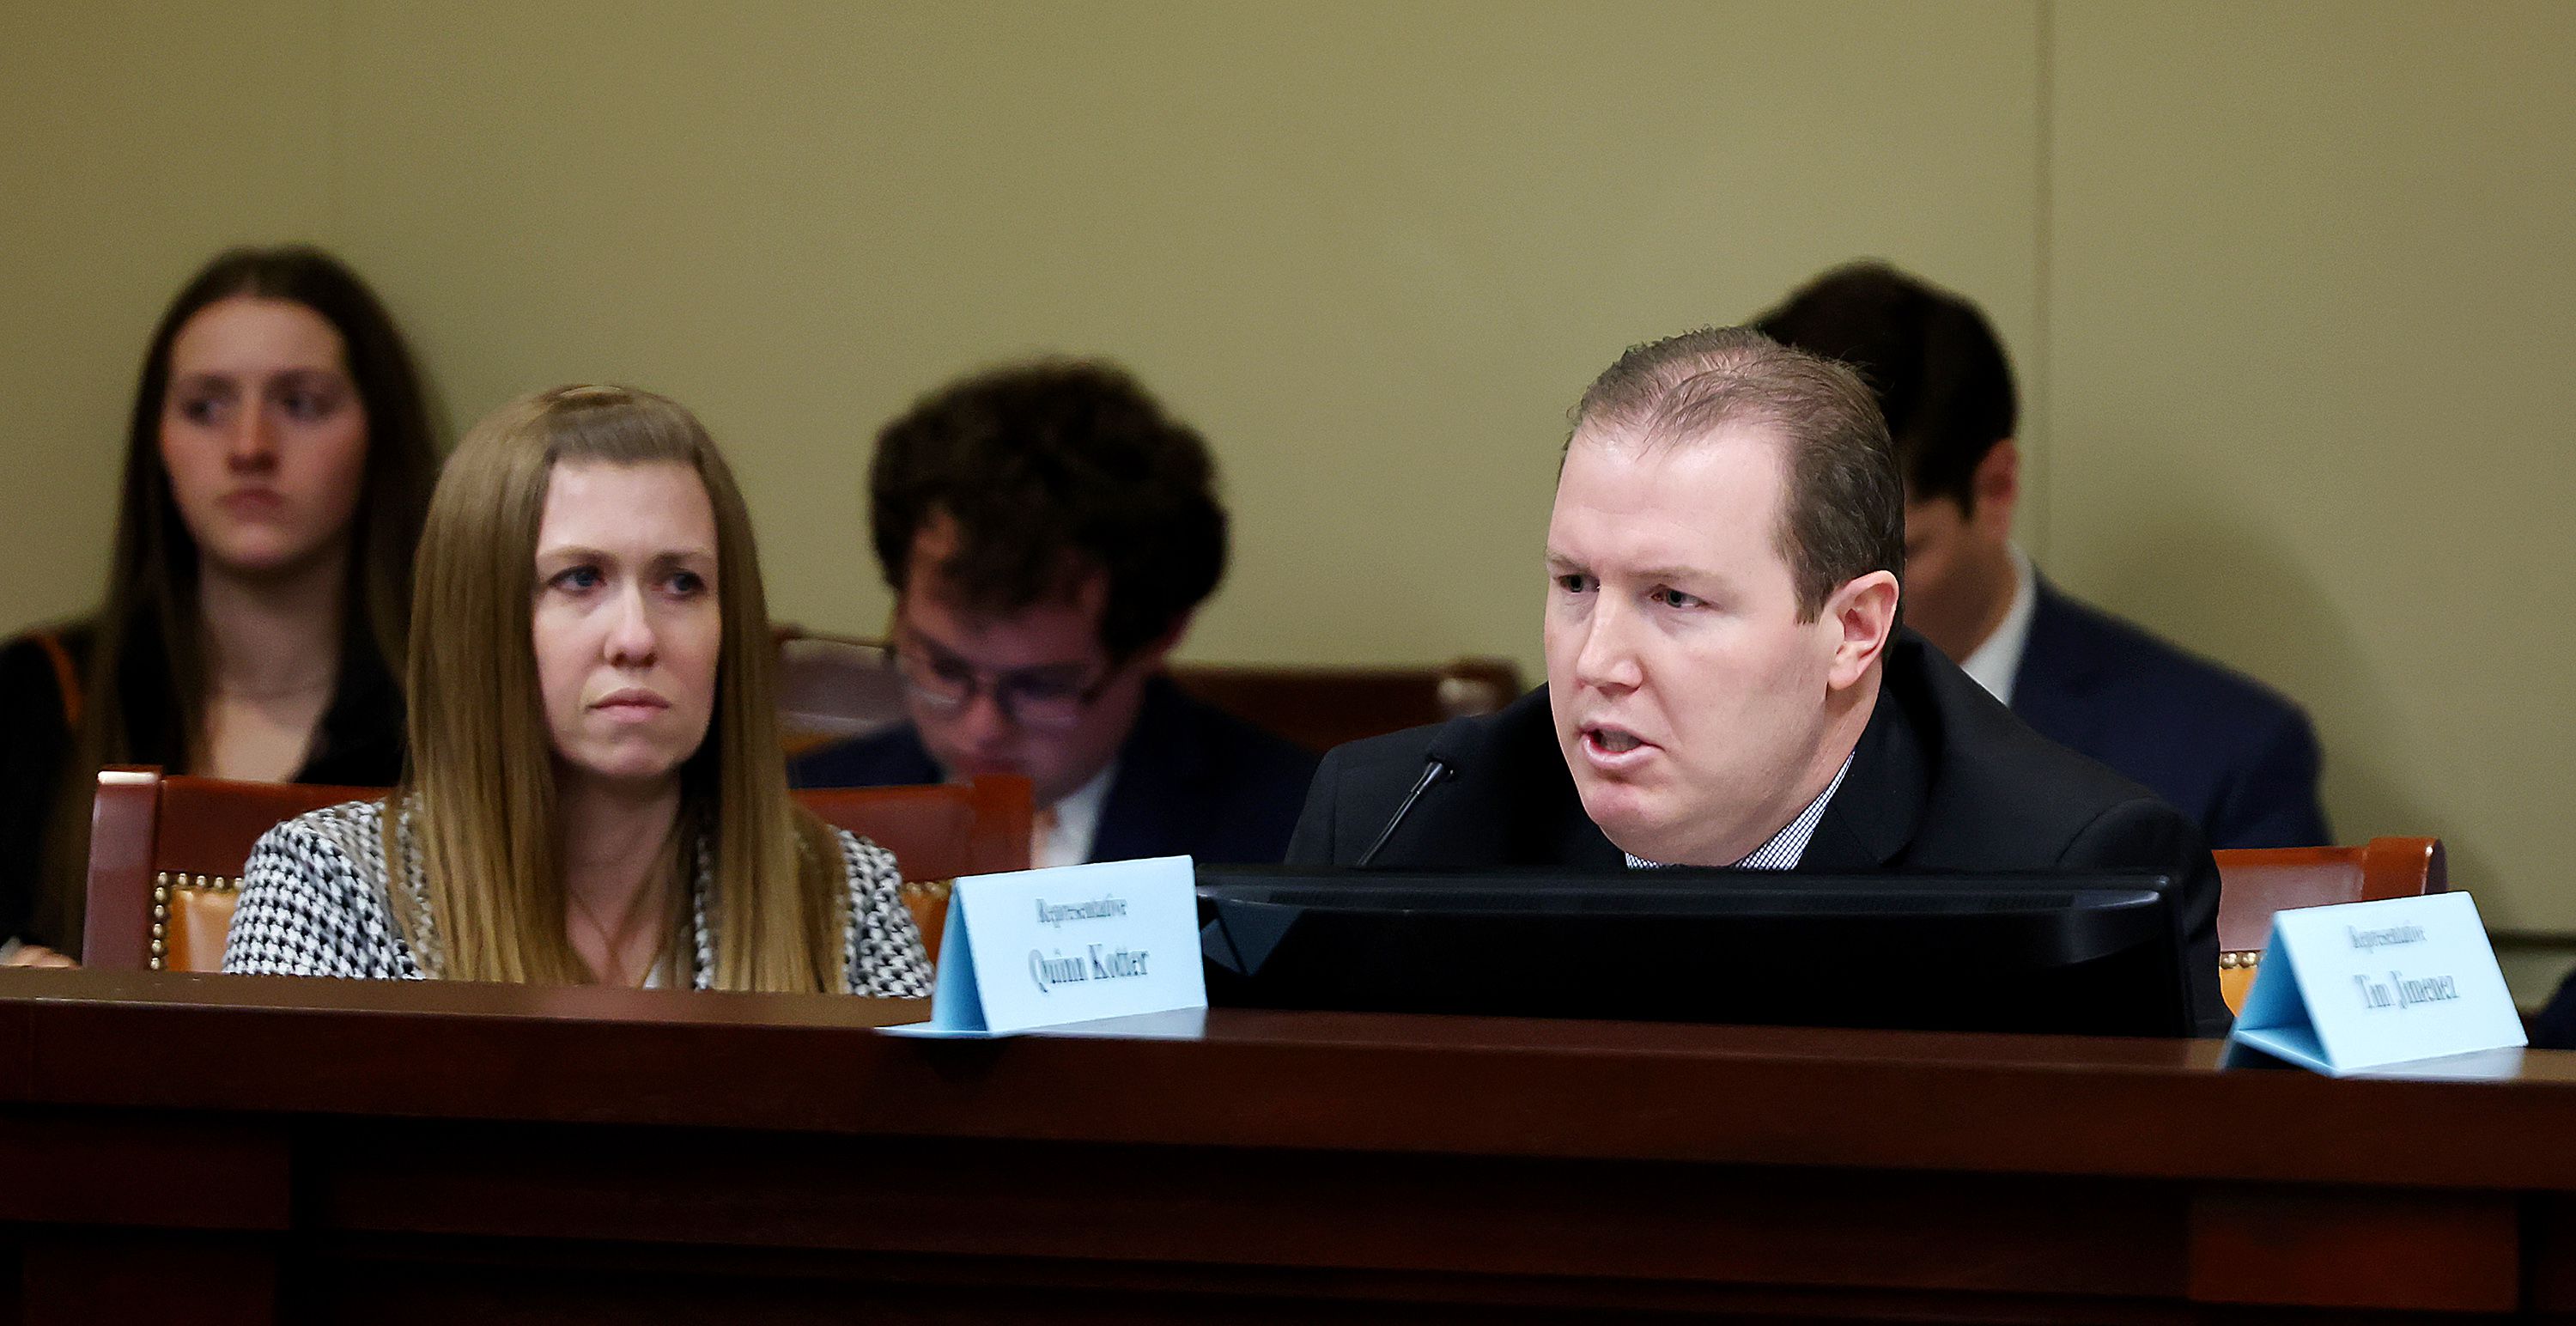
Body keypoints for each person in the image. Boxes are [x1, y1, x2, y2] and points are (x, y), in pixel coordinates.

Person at [1287, 327, 2228, 1035]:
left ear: (1854, 630)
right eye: (1576, 583)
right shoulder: (1389, 826)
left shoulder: (2066, 874)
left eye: (1675, 598)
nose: (1596, 661)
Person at [222, 386, 930, 993]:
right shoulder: (330, 889)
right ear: (482, 620)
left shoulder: (843, 895)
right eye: (581, 579)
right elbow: (263, 1156)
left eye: (681, 583)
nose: (637, 637)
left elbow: (922, 1157)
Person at [1754, 261, 2330, 850]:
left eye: (1884, 561)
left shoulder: (2220, 760)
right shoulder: (1683, 734)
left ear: (1995, 489)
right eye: (1789, 561)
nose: (1831, 613)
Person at [0, 246, 438, 965]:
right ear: (158, 443)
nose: (249, 446)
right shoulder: (42, 696)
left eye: (300, 403)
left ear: (376, 435)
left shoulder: (451, 716)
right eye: (206, 406)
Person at [790, 360, 1315, 868]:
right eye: (944, 670)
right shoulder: (794, 817)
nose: (981, 730)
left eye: (1041, 687)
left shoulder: (1298, 837)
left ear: (1159, 636)